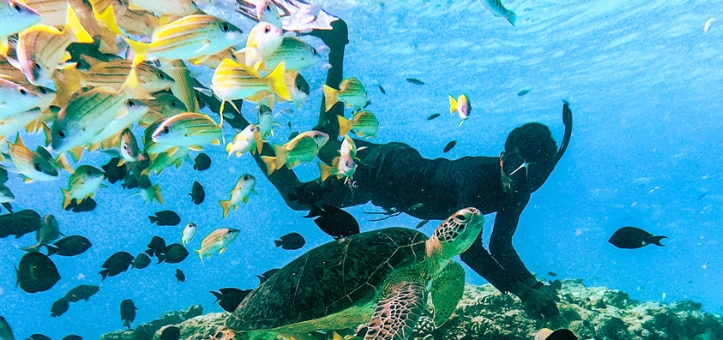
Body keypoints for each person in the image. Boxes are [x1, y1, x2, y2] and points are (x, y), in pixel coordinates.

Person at [204, 18, 571, 318]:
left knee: (327, 137)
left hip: (398, 163)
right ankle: (244, 129)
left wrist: (531, 286)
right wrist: (520, 291)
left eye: (529, 171)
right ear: (502, 155)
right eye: (514, 164)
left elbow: (501, 244)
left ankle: (336, 42)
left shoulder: (520, 187)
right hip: (379, 174)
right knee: (298, 199)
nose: (517, 177)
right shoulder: (476, 178)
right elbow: (468, 248)